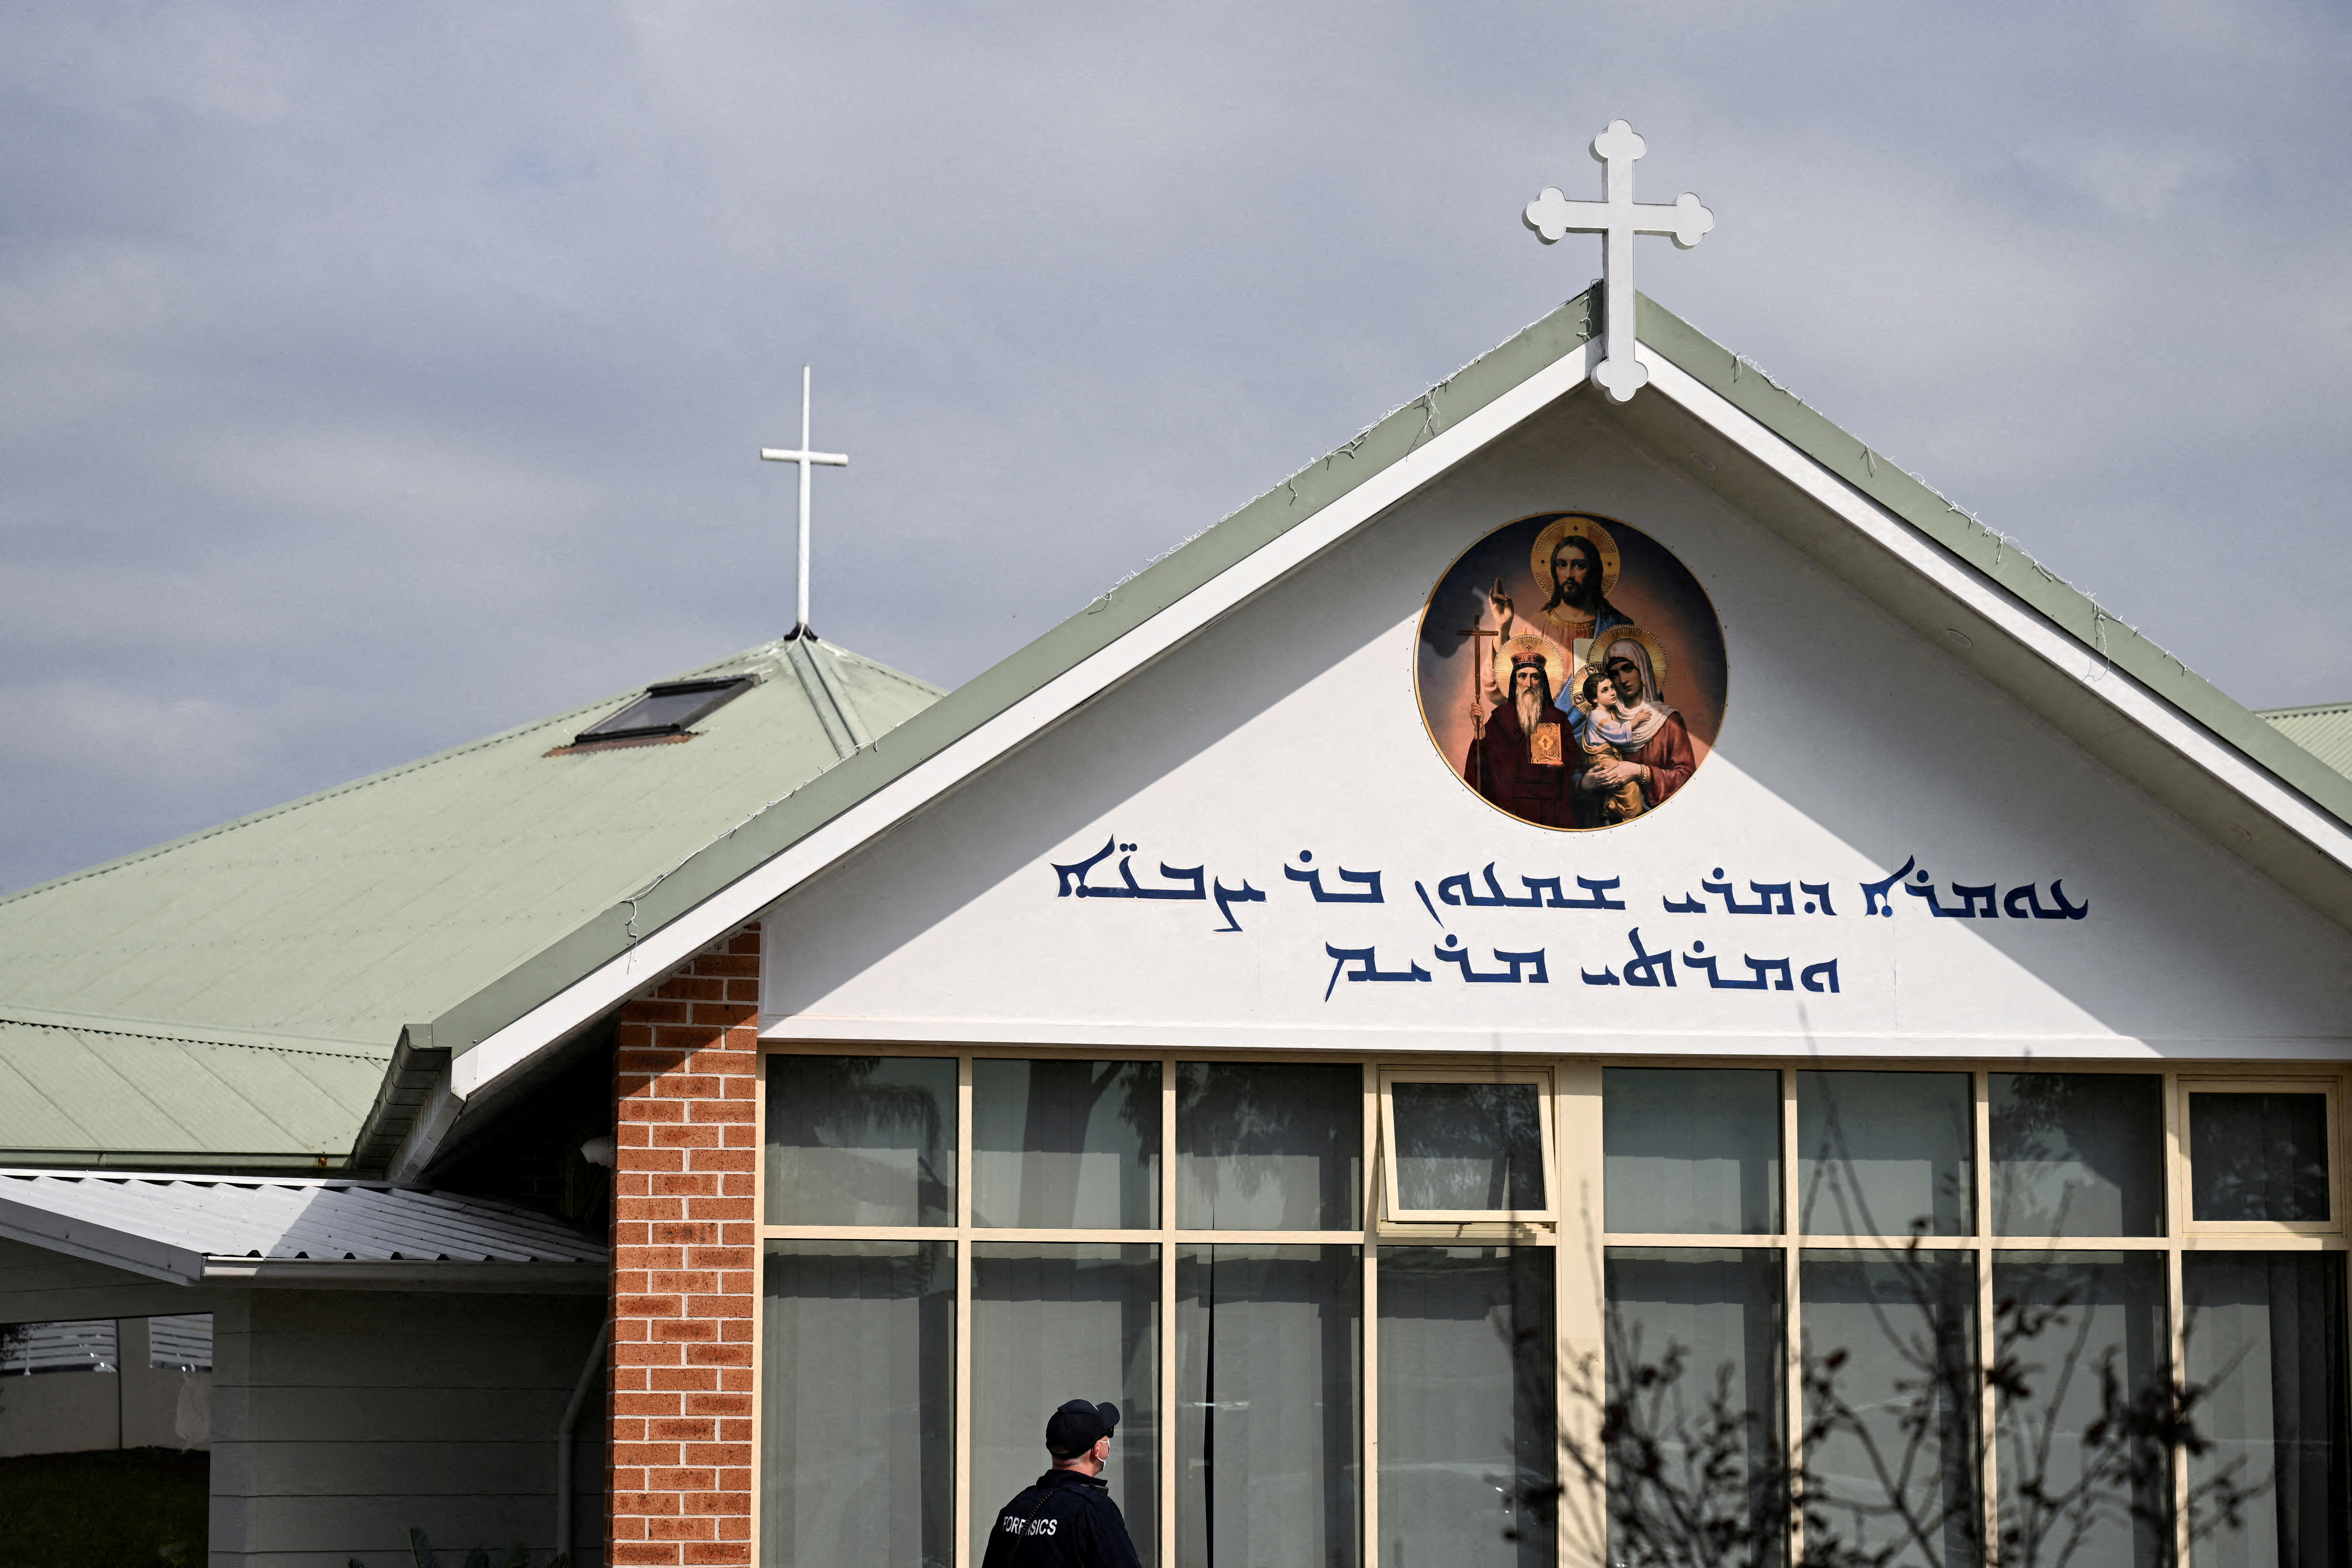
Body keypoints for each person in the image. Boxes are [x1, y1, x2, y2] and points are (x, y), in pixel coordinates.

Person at [979, 1399, 1143, 1568]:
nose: (1108, 1443)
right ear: (1097, 1450)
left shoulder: (1017, 1505)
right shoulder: (1094, 1510)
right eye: (1107, 1435)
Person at [1574, 634, 1695, 819]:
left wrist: (1640, 772)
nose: (1622, 680)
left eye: (1628, 669)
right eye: (1614, 674)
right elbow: (1575, 774)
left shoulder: (1668, 720)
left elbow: (1687, 778)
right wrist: (1585, 785)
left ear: (1643, 669)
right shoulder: (1603, 718)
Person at [1464, 644, 1576, 828]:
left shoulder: (1558, 718)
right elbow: (1484, 760)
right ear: (1515, 681)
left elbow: (1574, 756)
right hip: (1511, 803)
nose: (1529, 684)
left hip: (1550, 804)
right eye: (1522, 676)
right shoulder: (1501, 717)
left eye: (1535, 677)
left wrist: (1563, 765)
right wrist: (1479, 730)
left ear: (1542, 681)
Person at [1572, 669, 1648, 825]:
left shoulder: (1609, 712)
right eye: (1605, 690)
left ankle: (1613, 805)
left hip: (1607, 757)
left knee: (1622, 783)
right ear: (1595, 698)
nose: (1613, 692)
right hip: (1599, 759)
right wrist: (1637, 720)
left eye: (1612, 687)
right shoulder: (1597, 716)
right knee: (1629, 785)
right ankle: (1627, 813)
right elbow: (1618, 732)